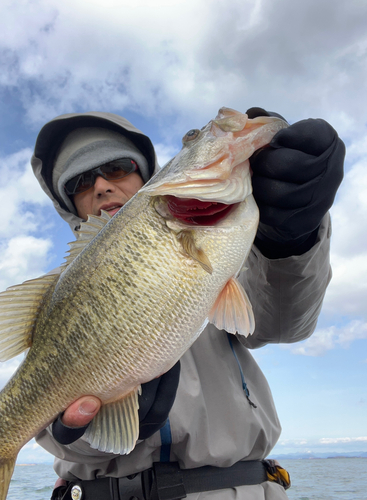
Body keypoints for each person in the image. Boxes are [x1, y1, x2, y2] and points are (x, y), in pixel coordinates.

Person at [32, 107, 345, 500]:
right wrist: (80, 435)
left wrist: (289, 241)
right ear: (69, 205)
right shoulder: (58, 303)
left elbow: (282, 324)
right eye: (78, 182)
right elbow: (40, 415)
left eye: (116, 168)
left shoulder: (222, 243)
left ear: (149, 175)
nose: (99, 185)